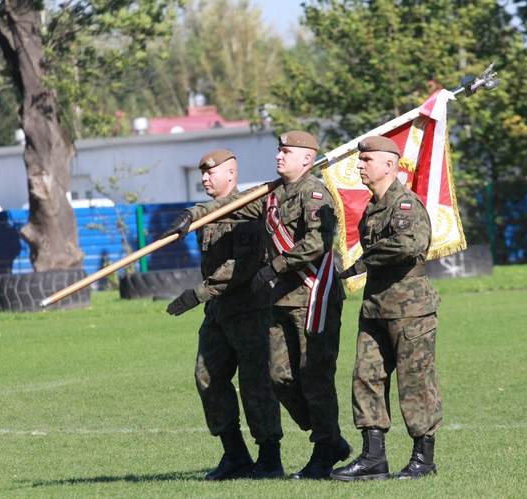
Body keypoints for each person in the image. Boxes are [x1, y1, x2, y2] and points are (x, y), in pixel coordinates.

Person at [162, 131, 352, 480]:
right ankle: (322, 441)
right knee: (280, 377)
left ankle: (323, 449)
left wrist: (274, 268)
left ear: (307, 159)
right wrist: (191, 214)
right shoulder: (272, 194)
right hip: (280, 299)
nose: (279, 156)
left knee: (314, 377)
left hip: (311, 296)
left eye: (287, 151)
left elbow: (318, 241)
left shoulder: (314, 193)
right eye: (279, 150)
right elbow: (227, 207)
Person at [166, 149, 284, 480]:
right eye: (202, 173)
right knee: (207, 376)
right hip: (218, 311)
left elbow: (242, 266)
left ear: (231, 174)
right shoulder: (206, 215)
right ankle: (235, 455)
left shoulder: (246, 211)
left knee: (255, 384)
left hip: (249, 309)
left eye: (211, 172)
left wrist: (197, 294)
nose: (204, 178)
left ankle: (269, 459)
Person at [329, 135, 442, 481]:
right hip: (376, 307)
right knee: (366, 378)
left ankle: (423, 460)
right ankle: (373, 458)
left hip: (410, 311)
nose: (360, 165)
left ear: (389, 165)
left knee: (415, 383)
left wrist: (363, 262)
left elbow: (411, 243)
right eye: (360, 160)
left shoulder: (404, 203)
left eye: (367, 160)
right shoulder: (373, 207)